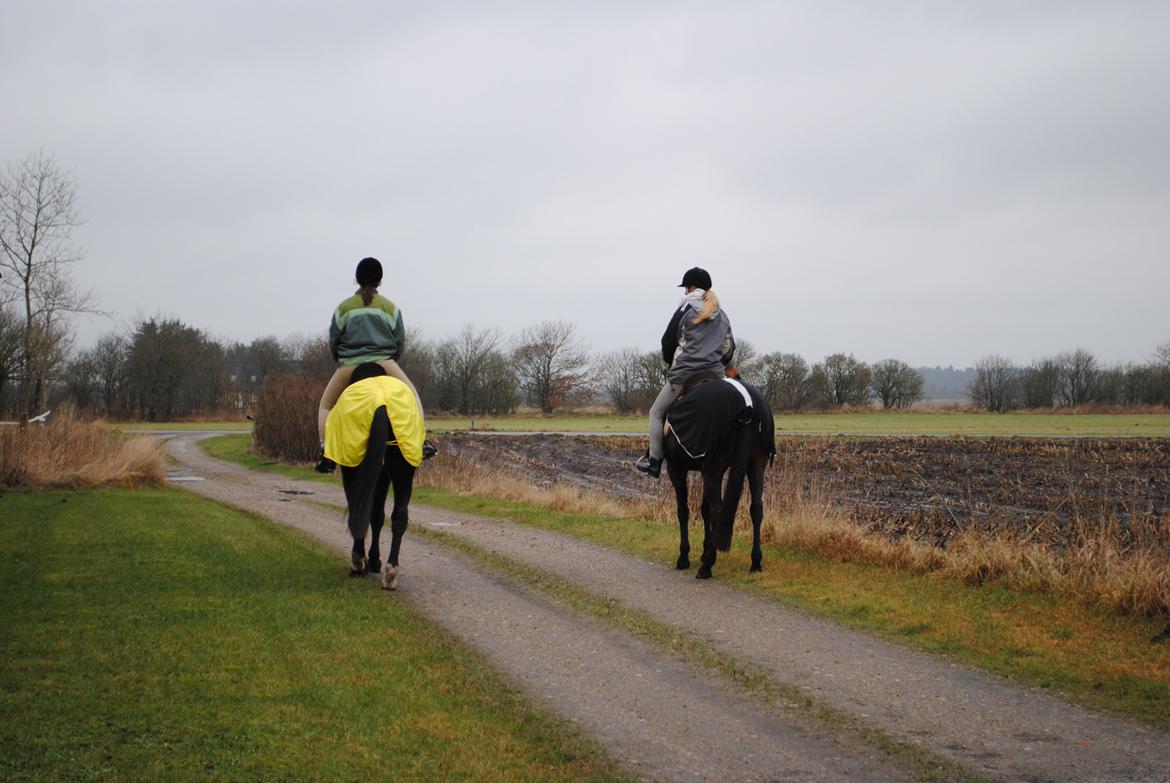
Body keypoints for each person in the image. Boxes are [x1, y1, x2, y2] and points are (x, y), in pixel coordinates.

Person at [315, 256, 433, 473]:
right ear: (380, 280)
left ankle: (325, 451)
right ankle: (422, 443)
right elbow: (399, 341)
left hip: (350, 365)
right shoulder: (391, 308)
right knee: (412, 395)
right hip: (384, 362)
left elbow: (334, 340)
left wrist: (341, 361)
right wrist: (392, 358)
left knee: (326, 406)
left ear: (357, 279)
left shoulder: (343, 308)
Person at [635, 267, 735, 478]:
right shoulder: (722, 314)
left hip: (684, 375)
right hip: (715, 375)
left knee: (656, 412)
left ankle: (654, 461)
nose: (684, 292)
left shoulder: (685, 309)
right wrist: (715, 364)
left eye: (685, 288)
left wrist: (671, 362)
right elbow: (728, 349)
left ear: (691, 287)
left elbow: (668, 342)